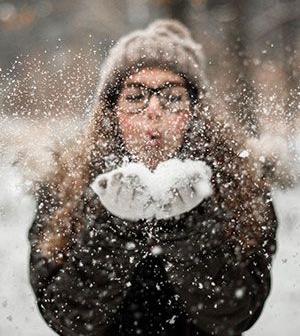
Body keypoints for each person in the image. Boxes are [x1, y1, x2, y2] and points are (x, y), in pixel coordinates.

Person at [28, 19, 277, 336]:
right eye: (135, 97)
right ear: (111, 111)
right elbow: (67, 319)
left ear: (195, 111)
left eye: (172, 96)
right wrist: (114, 230)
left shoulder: (240, 182)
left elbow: (235, 315)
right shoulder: (66, 183)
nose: (154, 110)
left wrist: (188, 227)